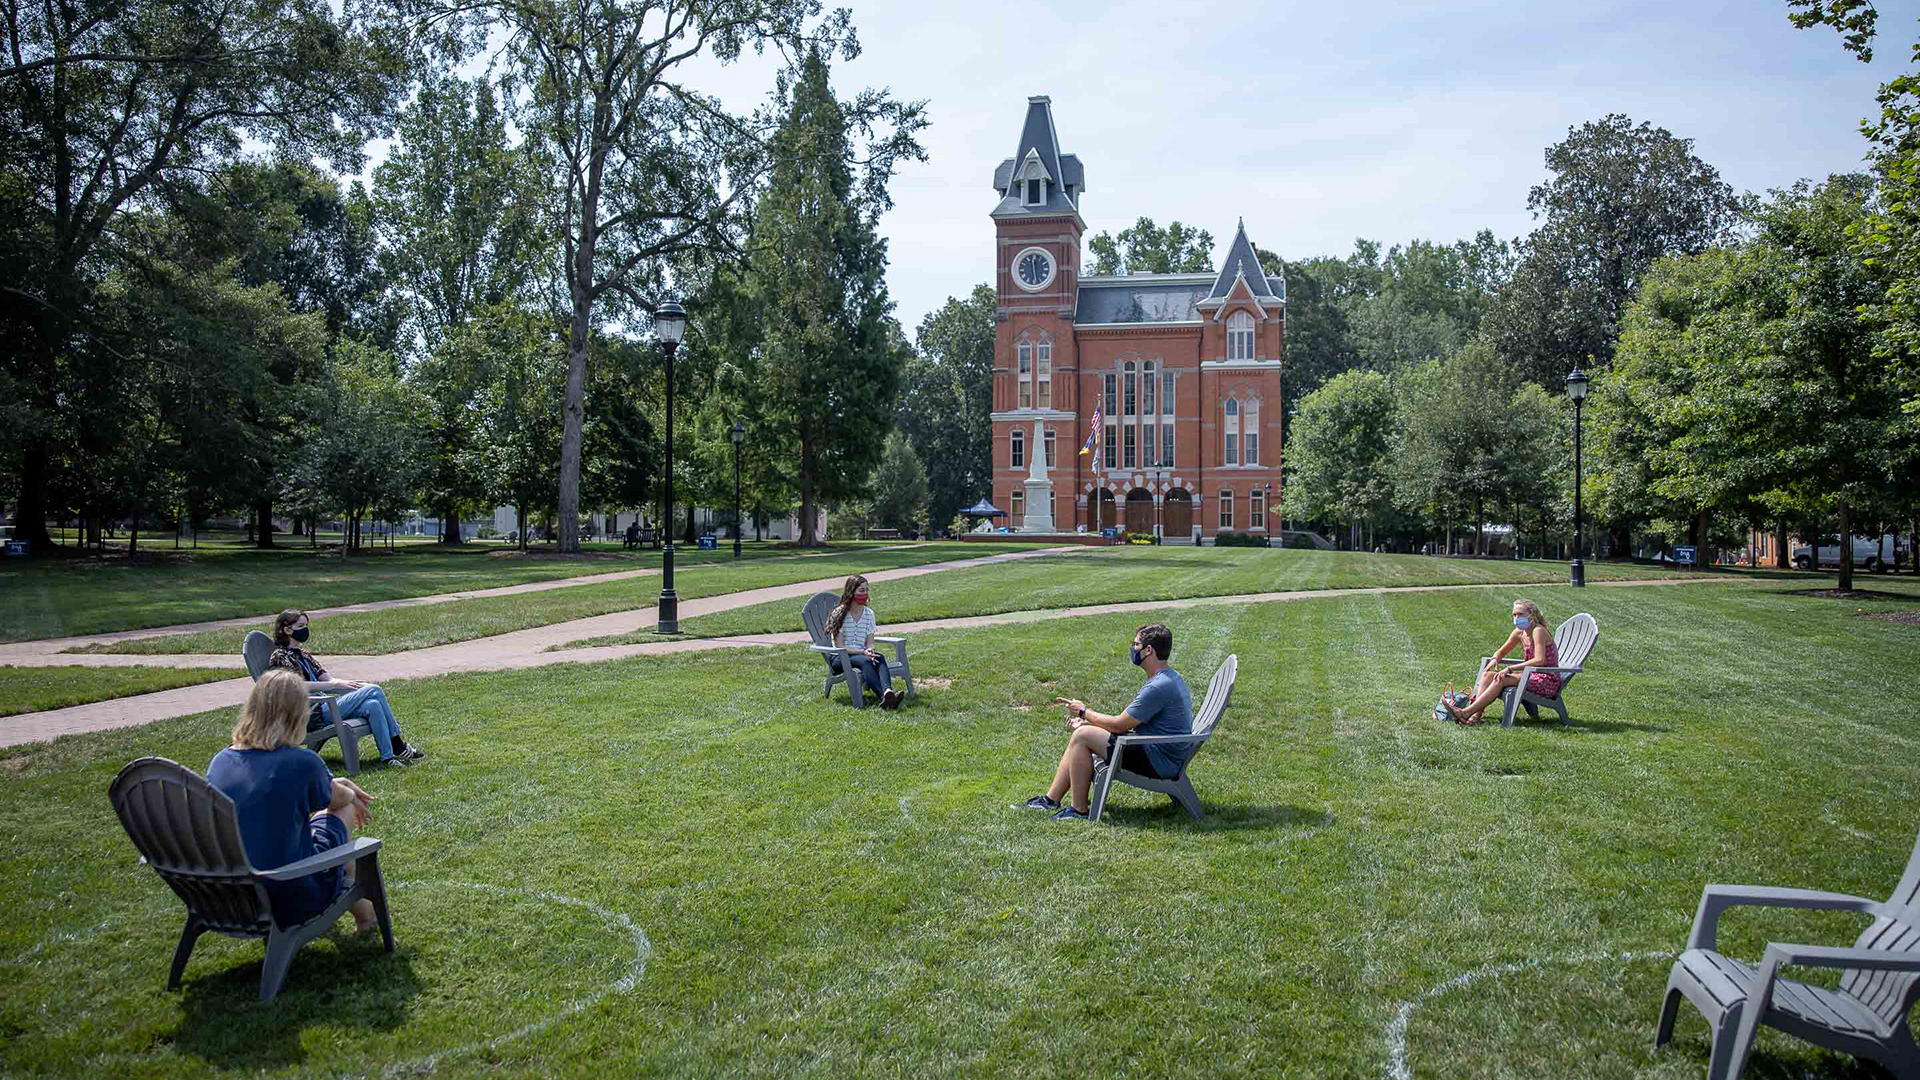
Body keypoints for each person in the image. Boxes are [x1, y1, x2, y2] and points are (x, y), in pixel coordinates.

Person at [207, 670, 380, 931]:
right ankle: (366, 917)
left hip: (227, 896)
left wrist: (335, 785)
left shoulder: (220, 762)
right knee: (339, 812)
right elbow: (339, 800)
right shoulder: (301, 763)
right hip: (290, 895)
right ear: (297, 714)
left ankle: (365, 915)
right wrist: (350, 792)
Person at [1014, 623, 1192, 822]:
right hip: (1156, 750)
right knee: (1084, 733)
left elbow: (1119, 725)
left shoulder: (1159, 686)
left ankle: (1079, 811)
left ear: (1148, 650)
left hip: (1159, 760)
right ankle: (1050, 800)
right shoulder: (1167, 677)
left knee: (1082, 736)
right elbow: (1126, 723)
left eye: (1136, 645)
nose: (1133, 649)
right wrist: (1090, 724)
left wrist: (1083, 712)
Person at [266, 609, 425, 765]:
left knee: (373, 704)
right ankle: (398, 745)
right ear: (287, 629)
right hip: (308, 714)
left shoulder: (304, 654)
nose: (305, 630)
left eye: (306, 625)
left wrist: (350, 685)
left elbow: (328, 679)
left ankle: (388, 757)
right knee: (374, 689)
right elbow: (294, 686)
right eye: (301, 626)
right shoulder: (280, 656)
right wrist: (333, 685)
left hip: (325, 705)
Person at [1442, 598, 1561, 725]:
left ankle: (1466, 713)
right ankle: (1475, 716)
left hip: (1546, 680)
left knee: (1501, 678)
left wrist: (1510, 668)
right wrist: (1494, 660)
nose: (1516, 618)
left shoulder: (1538, 631)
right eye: (1514, 615)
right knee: (1487, 675)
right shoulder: (1520, 632)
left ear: (1532, 615)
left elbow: (1539, 660)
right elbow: (1501, 651)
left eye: (1520, 614)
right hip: (1530, 676)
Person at [826, 575, 904, 710]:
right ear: (851, 591)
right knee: (866, 661)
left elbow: (870, 641)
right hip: (840, 658)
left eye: (867, 590)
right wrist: (863, 652)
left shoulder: (869, 614)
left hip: (860, 655)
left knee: (878, 657)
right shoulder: (839, 613)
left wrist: (870, 650)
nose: (865, 594)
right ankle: (884, 698)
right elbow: (840, 647)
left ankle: (887, 692)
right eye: (861, 590)